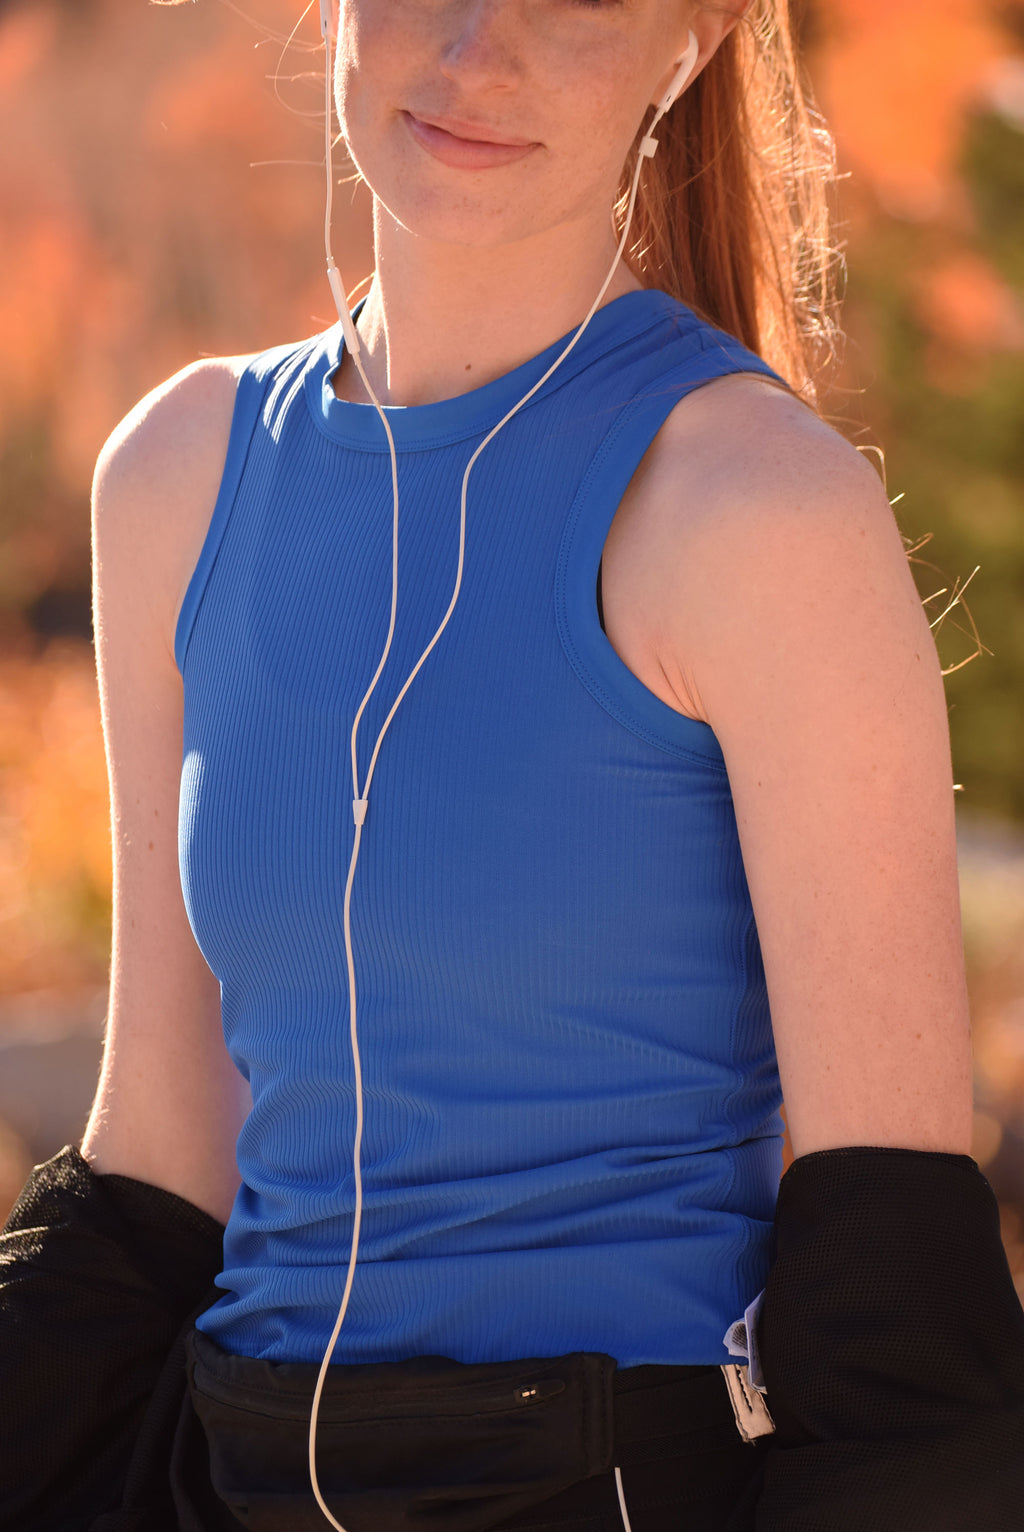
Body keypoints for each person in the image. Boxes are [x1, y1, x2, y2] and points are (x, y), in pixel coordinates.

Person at [3, 1, 1024, 1529]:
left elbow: (890, 1242)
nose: (481, 50)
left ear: (691, 45)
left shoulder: (757, 511)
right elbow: (158, 1147)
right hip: (230, 1468)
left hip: (601, 1480)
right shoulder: (176, 472)